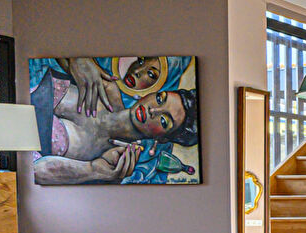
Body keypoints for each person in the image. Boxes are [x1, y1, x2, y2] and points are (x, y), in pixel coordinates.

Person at [29, 57, 199, 185]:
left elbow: (31, 173)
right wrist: (77, 60)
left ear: (163, 139)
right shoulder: (108, 88)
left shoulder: (112, 165)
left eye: (164, 120)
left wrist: (92, 169)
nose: (153, 110)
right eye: (161, 99)